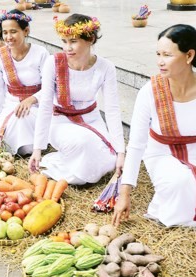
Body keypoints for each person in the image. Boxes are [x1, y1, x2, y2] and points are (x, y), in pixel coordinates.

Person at [112, 24, 196, 230]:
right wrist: (124, 193)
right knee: (179, 181)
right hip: (161, 153)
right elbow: (137, 144)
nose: (160, 61)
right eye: (158, 54)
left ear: (189, 56)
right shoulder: (149, 91)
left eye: (167, 55)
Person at [28, 14, 125, 185]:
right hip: (60, 121)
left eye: (73, 41)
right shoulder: (53, 63)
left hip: (92, 119)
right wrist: (38, 149)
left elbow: (112, 110)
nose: (67, 48)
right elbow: (45, 107)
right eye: (64, 41)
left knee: (110, 159)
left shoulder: (106, 67)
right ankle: (65, 165)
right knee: (84, 143)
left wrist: (121, 152)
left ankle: (69, 160)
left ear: (90, 39)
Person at [0, 10, 48, 155]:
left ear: (26, 31)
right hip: (11, 104)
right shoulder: (0, 55)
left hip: (37, 104)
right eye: (5, 32)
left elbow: (50, 87)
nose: (8, 37)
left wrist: (31, 99)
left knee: (23, 119)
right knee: (9, 129)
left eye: (13, 32)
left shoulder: (41, 53)